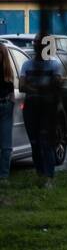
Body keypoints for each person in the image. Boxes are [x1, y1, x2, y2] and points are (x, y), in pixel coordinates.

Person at [19, 36, 63, 188]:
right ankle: (40, 174)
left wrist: (34, 86)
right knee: (35, 143)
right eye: (37, 44)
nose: (39, 47)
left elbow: (57, 84)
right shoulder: (26, 64)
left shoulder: (54, 65)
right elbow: (22, 86)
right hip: (32, 106)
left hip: (47, 108)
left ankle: (49, 176)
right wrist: (45, 87)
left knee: (46, 142)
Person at [0, 46, 14, 181]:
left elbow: (12, 92)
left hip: (5, 105)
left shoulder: (7, 73)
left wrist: (11, 101)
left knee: (6, 146)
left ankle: (3, 176)